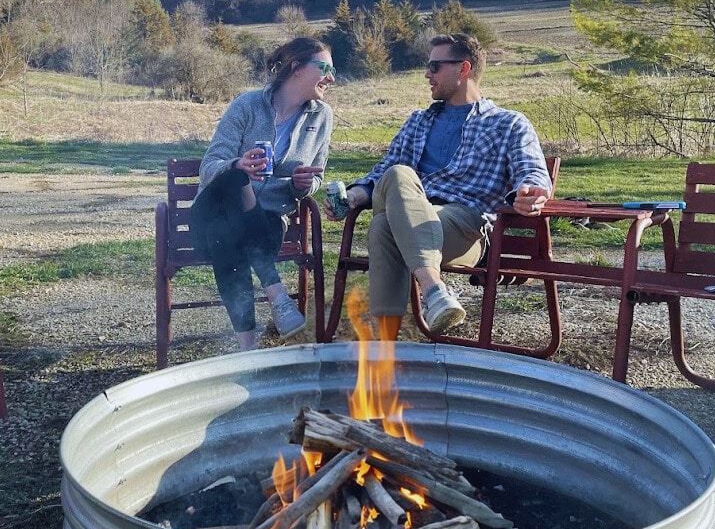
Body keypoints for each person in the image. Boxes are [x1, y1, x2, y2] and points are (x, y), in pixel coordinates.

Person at [331, 32, 551, 341]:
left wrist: (530, 191)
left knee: (383, 226)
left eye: (435, 67)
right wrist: (354, 195)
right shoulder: (418, 121)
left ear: (463, 69)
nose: (426, 74)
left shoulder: (508, 123)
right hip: (411, 209)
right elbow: (382, 172)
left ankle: (387, 343)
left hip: (464, 228)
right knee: (396, 178)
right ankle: (428, 299)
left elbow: (532, 170)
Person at [192, 37, 335, 351]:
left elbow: (316, 177)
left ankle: (247, 348)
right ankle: (278, 296)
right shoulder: (247, 105)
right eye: (324, 67)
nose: (331, 77)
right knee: (235, 180)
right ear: (296, 67)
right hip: (212, 211)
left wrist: (302, 185)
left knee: (226, 235)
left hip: (265, 221)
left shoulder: (321, 117)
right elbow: (209, 167)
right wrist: (238, 164)